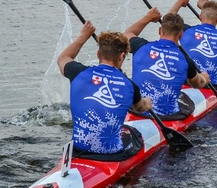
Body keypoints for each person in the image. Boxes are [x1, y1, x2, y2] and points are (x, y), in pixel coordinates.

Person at [58, 21, 152, 160]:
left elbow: (63, 58)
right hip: (111, 155)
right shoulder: (129, 85)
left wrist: (83, 36)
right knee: (133, 134)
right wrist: (148, 102)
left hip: (78, 151)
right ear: (121, 57)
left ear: (98, 54)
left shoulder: (77, 72)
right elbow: (140, 108)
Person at [124, 1, 210, 120]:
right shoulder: (185, 60)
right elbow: (196, 84)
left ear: (160, 31)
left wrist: (147, 18)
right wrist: (204, 78)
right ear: (181, 35)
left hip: (137, 110)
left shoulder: (140, 46)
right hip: (167, 117)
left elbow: (126, 35)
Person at [180, 0, 217, 89]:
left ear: (200, 16)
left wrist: (179, 2)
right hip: (212, 85)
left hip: (188, 81)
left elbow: (168, 21)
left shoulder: (185, 31)